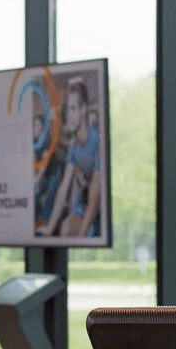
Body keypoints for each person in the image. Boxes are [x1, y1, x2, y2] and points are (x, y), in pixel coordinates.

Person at [45, 77, 105, 238]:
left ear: (83, 109)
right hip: (83, 204)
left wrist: (81, 238)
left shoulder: (97, 141)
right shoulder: (74, 147)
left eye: (73, 109)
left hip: (100, 208)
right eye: (67, 110)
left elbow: (94, 198)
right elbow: (63, 189)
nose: (69, 115)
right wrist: (49, 229)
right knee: (65, 228)